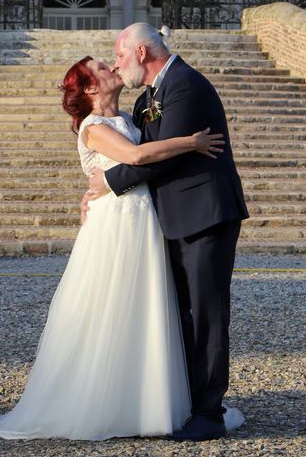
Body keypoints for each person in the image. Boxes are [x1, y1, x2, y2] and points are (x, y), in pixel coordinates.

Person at [0, 55, 242, 440]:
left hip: (143, 221)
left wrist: (105, 184)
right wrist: (192, 142)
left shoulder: (134, 116)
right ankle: (104, 400)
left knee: (147, 309)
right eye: (103, 68)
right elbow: (135, 157)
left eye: (112, 61)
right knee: (112, 306)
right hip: (116, 225)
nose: (113, 69)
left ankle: (147, 399)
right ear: (89, 88)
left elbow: (137, 162)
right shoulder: (93, 126)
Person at [86, 23, 250, 441]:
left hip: (205, 214)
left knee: (207, 315)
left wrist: (108, 184)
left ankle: (209, 413)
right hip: (170, 219)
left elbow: (161, 159)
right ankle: (184, 401)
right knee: (179, 316)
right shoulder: (148, 97)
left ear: (141, 53)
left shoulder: (186, 86)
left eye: (119, 57)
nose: (118, 67)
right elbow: (146, 150)